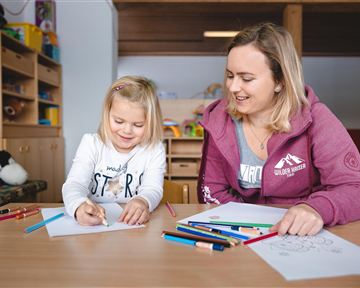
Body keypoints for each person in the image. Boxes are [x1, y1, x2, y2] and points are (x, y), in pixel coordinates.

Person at [197, 23, 360, 236]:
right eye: (230, 75)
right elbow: (210, 191)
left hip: (302, 236)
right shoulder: (218, 119)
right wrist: (247, 227)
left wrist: (316, 209)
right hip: (241, 236)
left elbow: (354, 187)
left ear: (280, 81)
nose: (233, 87)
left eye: (246, 78)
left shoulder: (317, 119)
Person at [63, 76, 166, 226]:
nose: (126, 131)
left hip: (131, 230)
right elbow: (74, 184)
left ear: (151, 123)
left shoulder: (154, 149)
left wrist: (143, 200)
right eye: (119, 121)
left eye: (138, 125)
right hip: (94, 227)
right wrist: (78, 206)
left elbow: (153, 188)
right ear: (107, 115)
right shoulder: (91, 143)